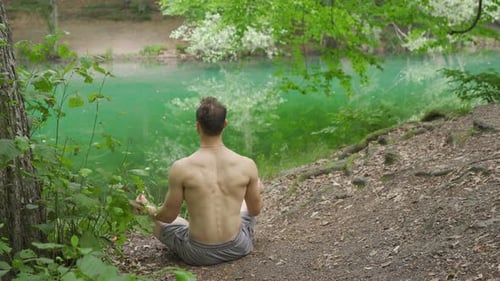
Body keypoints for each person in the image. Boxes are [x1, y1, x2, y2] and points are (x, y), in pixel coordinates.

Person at [135, 96, 264, 266]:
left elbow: (167, 216)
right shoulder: (246, 164)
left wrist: (147, 209)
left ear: (198, 126)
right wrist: (257, 189)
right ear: (225, 124)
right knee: (247, 202)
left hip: (198, 254)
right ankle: (255, 190)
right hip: (238, 247)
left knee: (166, 221)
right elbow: (255, 210)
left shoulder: (181, 168)